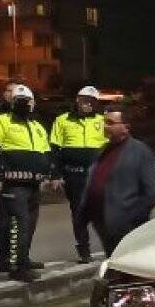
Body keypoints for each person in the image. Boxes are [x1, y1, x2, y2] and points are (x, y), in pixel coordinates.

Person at [0, 85, 52, 281]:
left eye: (27, 101)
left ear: (33, 103)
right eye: (19, 101)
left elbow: (45, 153)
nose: (24, 104)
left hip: (33, 183)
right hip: (13, 183)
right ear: (12, 103)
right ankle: (17, 267)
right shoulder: (1, 121)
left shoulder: (37, 126)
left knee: (29, 223)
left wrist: (46, 174)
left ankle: (22, 258)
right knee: (18, 223)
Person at [80, 110, 155, 257]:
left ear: (126, 127)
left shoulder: (140, 152)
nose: (105, 126)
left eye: (110, 123)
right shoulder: (103, 150)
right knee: (113, 260)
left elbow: (151, 192)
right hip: (102, 220)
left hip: (126, 224)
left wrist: (131, 217)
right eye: (103, 122)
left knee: (129, 262)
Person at [50, 86, 108, 263]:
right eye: (84, 100)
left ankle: (112, 248)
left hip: (98, 176)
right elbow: (55, 149)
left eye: (92, 101)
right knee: (78, 214)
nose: (88, 104)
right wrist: (55, 175)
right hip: (74, 176)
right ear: (77, 100)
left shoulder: (103, 121)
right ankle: (84, 251)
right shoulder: (62, 120)